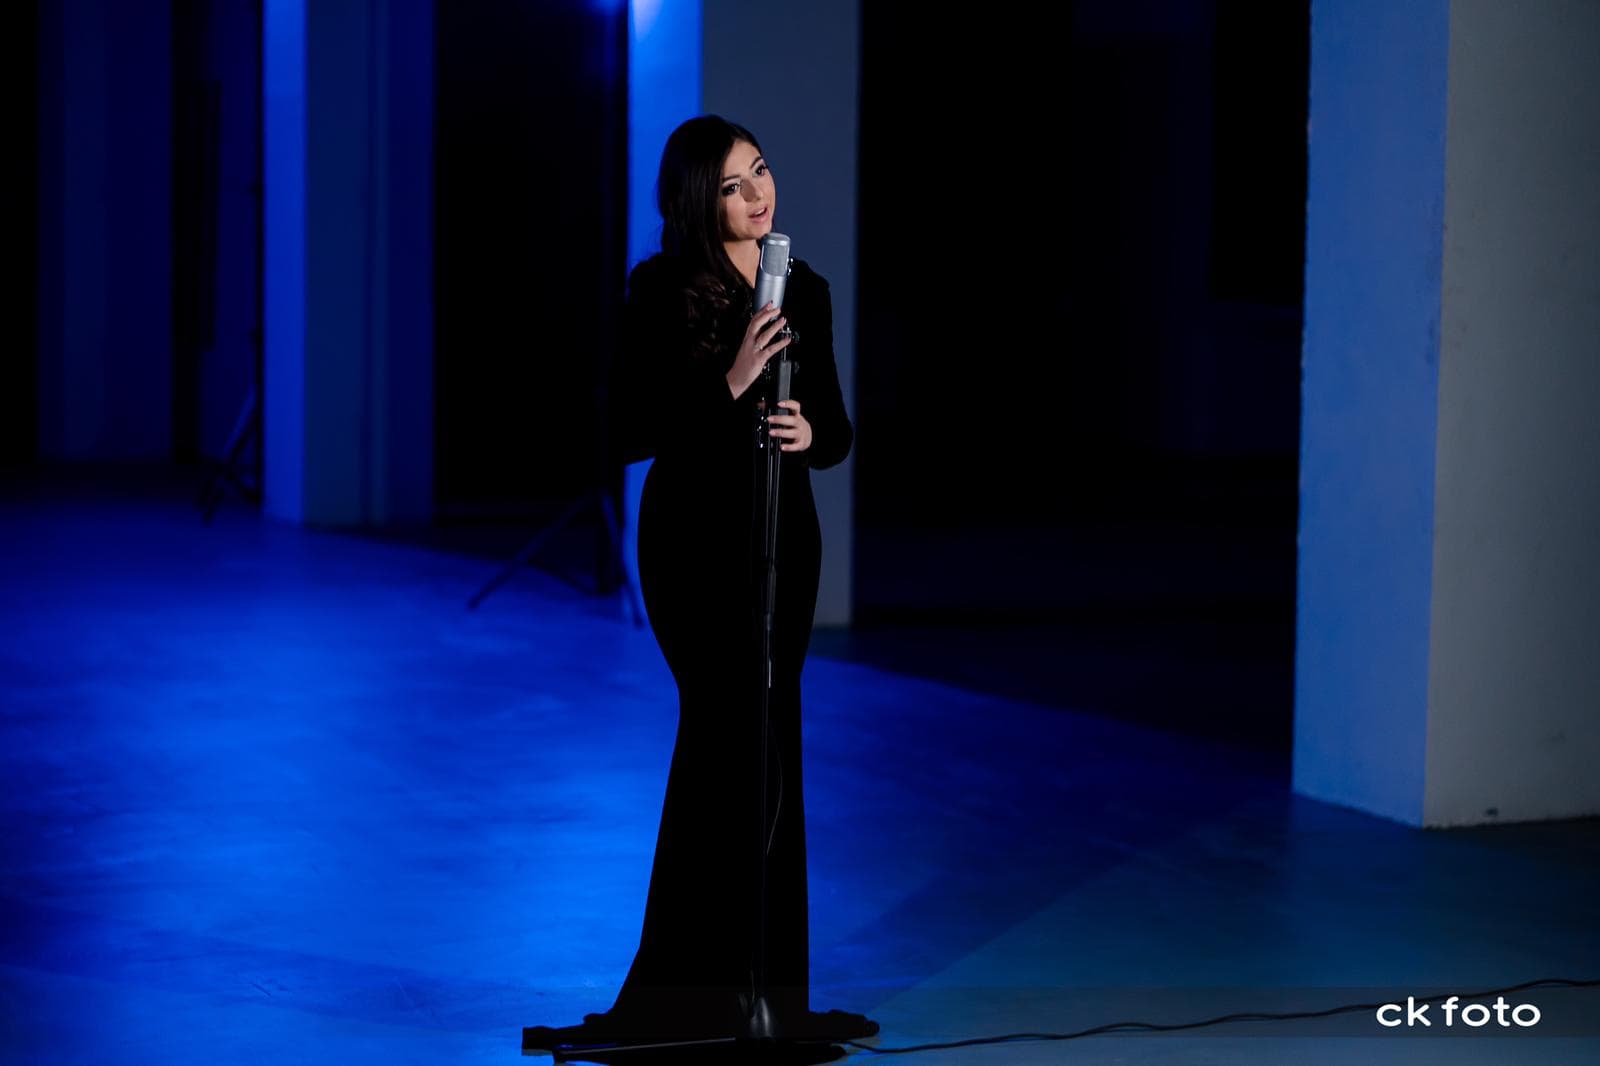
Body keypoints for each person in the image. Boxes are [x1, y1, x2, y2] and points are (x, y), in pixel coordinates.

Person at [585, 114, 876, 1043]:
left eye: (761, 172)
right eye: (731, 186)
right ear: (695, 201)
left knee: (772, 750)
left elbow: (837, 430)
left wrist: (811, 433)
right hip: (694, 548)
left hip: (784, 542)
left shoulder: (805, 289)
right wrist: (732, 380)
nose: (757, 196)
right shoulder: (664, 289)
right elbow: (626, 431)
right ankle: (684, 998)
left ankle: (771, 999)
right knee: (720, 748)